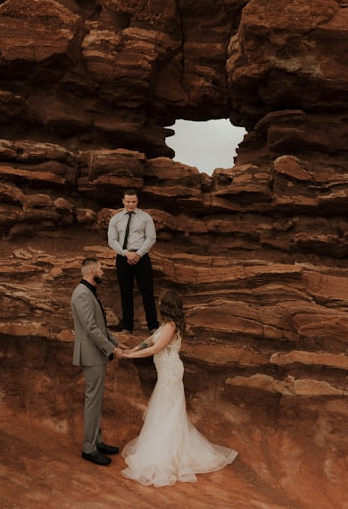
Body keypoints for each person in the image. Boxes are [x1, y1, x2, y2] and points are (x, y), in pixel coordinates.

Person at [121, 289, 237, 487]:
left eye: (160, 301)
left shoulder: (171, 326)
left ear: (166, 305)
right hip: (166, 371)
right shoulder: (165, 325)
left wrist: (129, 357)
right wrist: (132, 349)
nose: (157, 303)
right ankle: (166, 444)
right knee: (166, 407)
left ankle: (168, 450)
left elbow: (156, 348)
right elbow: (150, 341)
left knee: (168, 408)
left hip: (170, 372)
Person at [71, 257, 126, 465]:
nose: (103, 272)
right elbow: (91, 329)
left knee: (96, 400)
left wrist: (116, 343)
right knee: (93, 401)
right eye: (101, 269)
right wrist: (111, 349)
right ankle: (89, 448)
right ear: (92, 269)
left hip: (96, 353)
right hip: (91, 355)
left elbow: (100, 326)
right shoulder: (82, 294)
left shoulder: (88, 291)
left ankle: (97, 441)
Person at [107, 189, 158, 334]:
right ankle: (127, 327)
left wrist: (138, 254)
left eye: (133, 202)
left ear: (137, 201)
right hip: (123, 257)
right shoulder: (116, 219)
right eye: (128, 201)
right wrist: (126, 254)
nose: (131, 204)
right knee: (125, 293)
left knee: (147, 292)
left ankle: (153, 326)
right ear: (123, 201)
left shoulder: (145, 217)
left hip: (142, 257)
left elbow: (151, 238)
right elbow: (112, 240)